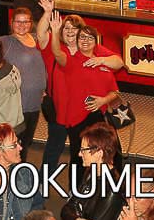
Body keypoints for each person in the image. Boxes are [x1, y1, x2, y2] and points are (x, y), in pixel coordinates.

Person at [39, 10, 122, 174]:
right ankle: (42, 182)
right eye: (66, 28)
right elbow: (43, 37)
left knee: (89, 153)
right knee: (55, 150)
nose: (70, 32)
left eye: (75, 28)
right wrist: (48, 14)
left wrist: (101, 60)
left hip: (86, 113)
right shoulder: (58, 50)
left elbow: (118, 63)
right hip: (59, 111)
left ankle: (108, 184)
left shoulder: (90, 49)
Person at [0, 1, 47, 160]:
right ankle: (9, 172)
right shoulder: (7, 42)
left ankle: (19, 171)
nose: (22, 25)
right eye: (18, 21)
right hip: (16, 106)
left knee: (25, 144)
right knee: (12, 145)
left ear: (31, 23)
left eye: (26, 21)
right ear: (11, 23)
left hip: (34, 103)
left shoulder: (36, 39)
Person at [61, 24, 123, 182]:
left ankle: (114, 187)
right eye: (82, 37)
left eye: (90, 38)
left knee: (113, 154)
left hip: (100, 117)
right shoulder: (70, 60)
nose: (85, 40)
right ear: (76, 40)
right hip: (77, 119)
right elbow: (55, 51)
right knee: (79, 157)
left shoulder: (103, 62)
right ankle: (76, 192)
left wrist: (103, 100)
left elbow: (115, 91)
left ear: (96, 42)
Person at [60, 123, 125, 220]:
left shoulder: (113, 189)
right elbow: (67, 208)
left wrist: (76, 216)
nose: (79, 154)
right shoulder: (90, 173)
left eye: (83, 150)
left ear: (99, 153)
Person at [0, 124, 44, 220]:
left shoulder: (26, 173)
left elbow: (37, 207)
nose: (20, 147)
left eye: (18, 142)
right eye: (14, 145)